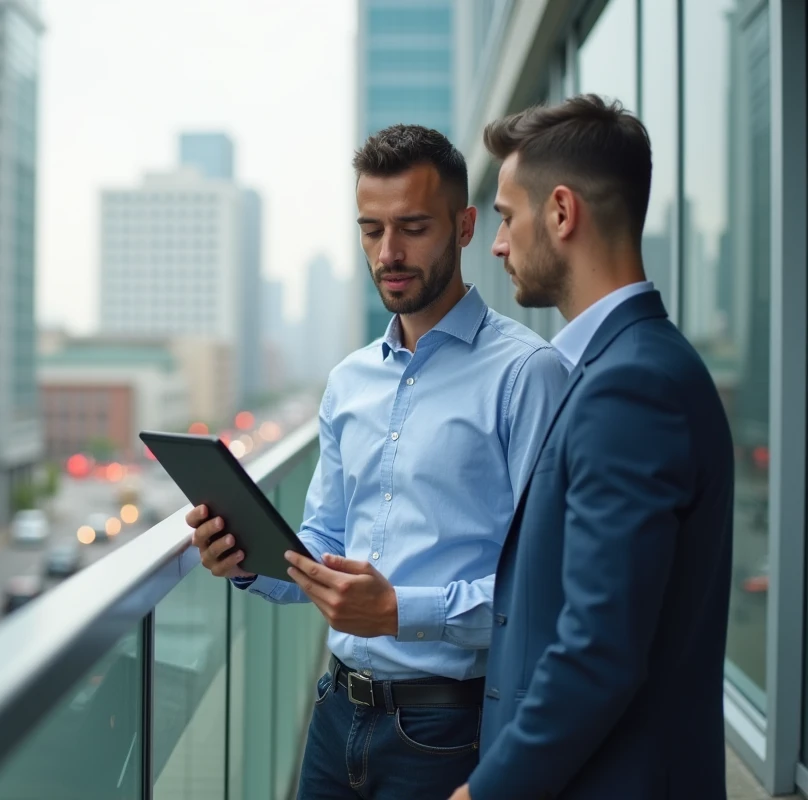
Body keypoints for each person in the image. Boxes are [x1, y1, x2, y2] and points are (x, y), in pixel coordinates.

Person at [186, 125, 569, 799]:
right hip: (334, 713)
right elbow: (325, 546)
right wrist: (245, 559)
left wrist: (399, 611)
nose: (388, 253)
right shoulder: (347, 382)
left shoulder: (529, 376)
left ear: (465, 226)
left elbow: (543, 595)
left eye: (413, 227)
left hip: (450, 730)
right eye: (371, 230)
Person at [448, 95, 734, 800]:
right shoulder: (628, 365)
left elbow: (599, 652)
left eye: (508, 217)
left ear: (562, 213)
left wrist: (485, 793)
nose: (497, 243)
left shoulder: (629, 385)